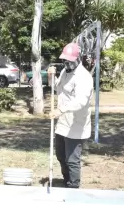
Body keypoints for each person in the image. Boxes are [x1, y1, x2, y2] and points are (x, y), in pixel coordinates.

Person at [49, 42, 94, 189]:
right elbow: (57, 87)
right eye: (65, 60)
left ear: (77, 58)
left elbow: (80, 101)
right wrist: (51, 77)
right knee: (61, 156)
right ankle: (67, 181)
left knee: (72, 160)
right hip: (63, 123)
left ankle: (74, 188)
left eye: (69, 60)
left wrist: (61, 110)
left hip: (76, 125)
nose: (66, 63)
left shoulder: (84, 77)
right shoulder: (64, 72)